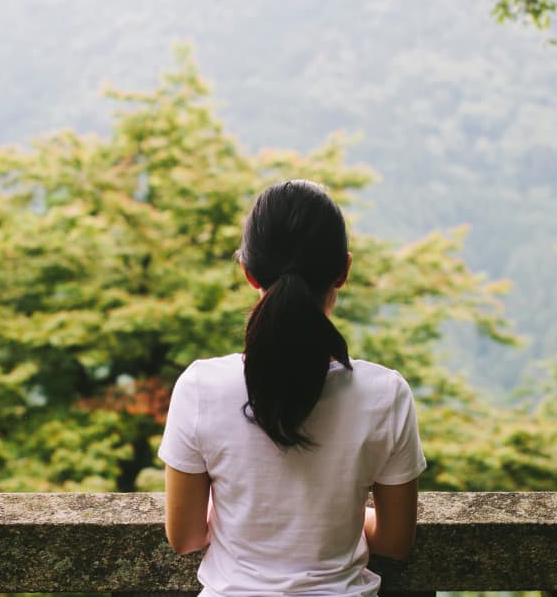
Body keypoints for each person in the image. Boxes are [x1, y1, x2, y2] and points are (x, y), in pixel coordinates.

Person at [158, 179, 425, 597]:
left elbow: (186, 537)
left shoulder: (199, 388)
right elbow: (395, 541)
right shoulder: (385, 394)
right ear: (344, 271)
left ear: (248, 272)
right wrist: (345, 517)